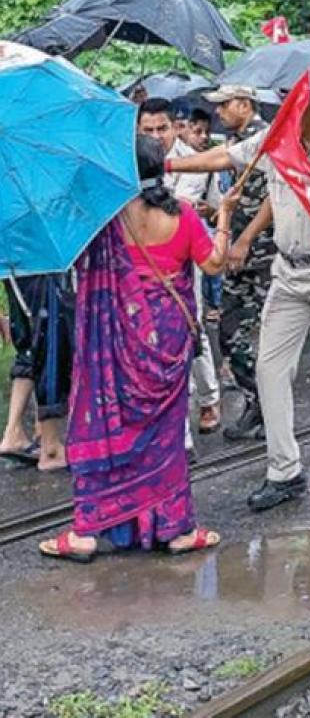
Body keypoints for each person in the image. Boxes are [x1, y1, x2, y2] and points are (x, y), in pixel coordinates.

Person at [167, 90, 310, 517]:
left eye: (294, 107)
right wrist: (165, 164)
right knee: (269, 368)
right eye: (282, 106)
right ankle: (284, 470)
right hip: (287, 270)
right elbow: (223, 158)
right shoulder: (276, 140)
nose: (286, 114)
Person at [38, 136, 238, 561]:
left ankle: (88, 531)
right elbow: (215, 264)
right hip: (167, 339)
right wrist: (225, 217)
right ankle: (175, 528)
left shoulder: (103, 220)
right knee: (163, 435)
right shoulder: (183, 215)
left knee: (109, 423)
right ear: (164, 168)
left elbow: (69, 254)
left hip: (113, 341)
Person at [138, 98, 222, 435]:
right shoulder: (132, 162)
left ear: (176, 127)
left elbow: (197, 208)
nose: (157, 136)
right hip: (144, 262)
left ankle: (207, 398)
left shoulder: (195, 162)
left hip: (186, 260)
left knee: (191, 326)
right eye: (149, 130)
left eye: (162, 128)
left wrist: (217, 215)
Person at [202, 85, 277, 442]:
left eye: (223, 105)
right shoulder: (238, 143)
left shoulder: (266, 140)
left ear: (244, 105)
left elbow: (275, 196)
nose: (218, 112)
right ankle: (259, 403)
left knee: (256, 337)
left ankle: (268, 410)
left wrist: (245, 239)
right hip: (239, 255)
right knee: (230, 333)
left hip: (262, 255)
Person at [0, 275, 71, 471]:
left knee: (30, 344)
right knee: (51, 340)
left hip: (16, 260)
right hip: (36, 259)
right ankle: (50, 446)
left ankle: (13, 432)